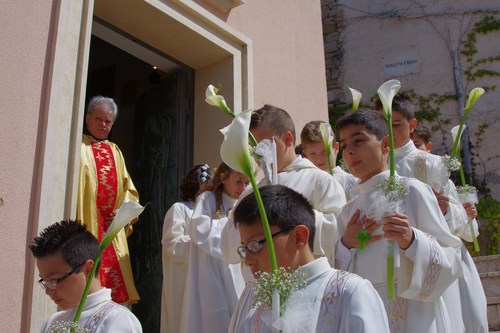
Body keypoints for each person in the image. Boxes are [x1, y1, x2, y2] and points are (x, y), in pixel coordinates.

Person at [334, 110, 463, 333]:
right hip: (367, 312)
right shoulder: (348, 210)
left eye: (359, 140)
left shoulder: (413, 190)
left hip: (413, 310)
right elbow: (337, 271)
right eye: (344, 145)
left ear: (385, 144)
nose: (350, 151)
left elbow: (450, 258)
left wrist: (412, 241)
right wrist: (346, 244)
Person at [376, 95, 488, 332]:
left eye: (395, 124)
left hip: (431, 262)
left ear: (412, 125)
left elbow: (466, 226)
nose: (388, 131)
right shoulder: (367, 166)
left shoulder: (431, 165)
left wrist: (447, 211)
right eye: (381, 124)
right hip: (384, 266)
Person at [229, 185, 390, 333]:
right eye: (244, 248)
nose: (248, 260)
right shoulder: (256, 301)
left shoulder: (349, 293)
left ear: (299, 237)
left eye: (255, 245)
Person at [221, 105, 347, 272]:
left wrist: (287, 214)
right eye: (253, 148)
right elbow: (229, 251)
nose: (258, 154)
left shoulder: (320, 181)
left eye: (264, 145)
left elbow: (338, 237)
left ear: (288, 139)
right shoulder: (252, 191)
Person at [76, 96, 140, 305]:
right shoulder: (77, 145)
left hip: (111, 230)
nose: (104, 125)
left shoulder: (115, 150)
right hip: (87, 225)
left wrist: (123, 213)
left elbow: (129, 190)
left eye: (108, 122)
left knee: (115, 297)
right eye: (99, 119)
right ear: (87, 118)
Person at [29, 220, 142, 332]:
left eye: (55, 280)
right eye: (45, 281)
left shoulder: (117, 320)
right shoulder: (52, 322)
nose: (48, 291)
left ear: (88, 268)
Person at [179, 163, 248, 333]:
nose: (243, 187)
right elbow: (200, 231)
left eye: (246, 183)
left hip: (238, 274)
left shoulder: (245, 202)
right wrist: (228, 222)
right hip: (211, 274)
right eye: (238, 181)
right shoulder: (207, 198)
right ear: (223, 177)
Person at [160, 163, 212, 333]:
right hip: (183, 283)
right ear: (196, 185)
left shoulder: (212, 214)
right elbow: (171, 244)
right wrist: (203, 243)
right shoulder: (180, 209)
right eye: (207, 186)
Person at [300, 120, 359, 201]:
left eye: (324, 152)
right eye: (312, 154)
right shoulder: (304, 184)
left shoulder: (351, 182)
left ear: (336, 148)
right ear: (305, 154)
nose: (319, 159)